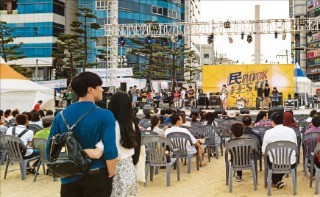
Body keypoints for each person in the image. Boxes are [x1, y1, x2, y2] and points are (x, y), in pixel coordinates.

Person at [46, 72, 118, 197]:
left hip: (68, 175)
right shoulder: (105, 115)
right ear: (90, 89)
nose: (102, 89)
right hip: (96, 174)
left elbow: (49, 149)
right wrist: (112, 171)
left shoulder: (60, 116)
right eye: (99, 86)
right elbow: (110, 149)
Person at [84, 92, 139, 197]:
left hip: (115, 171)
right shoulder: (130, 124)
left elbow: (97, 153)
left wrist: (76, 149)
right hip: (130, 170)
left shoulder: (112, 125)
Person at [262, 112, 297, 189]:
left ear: (272, 122)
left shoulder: (268, 132)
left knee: (268, 157)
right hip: (290, 163)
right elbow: (295, 147)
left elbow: (264, 151)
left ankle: (274, 180)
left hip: (274, 163)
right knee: (285, 157)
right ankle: (276, 180)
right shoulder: (291, 131)